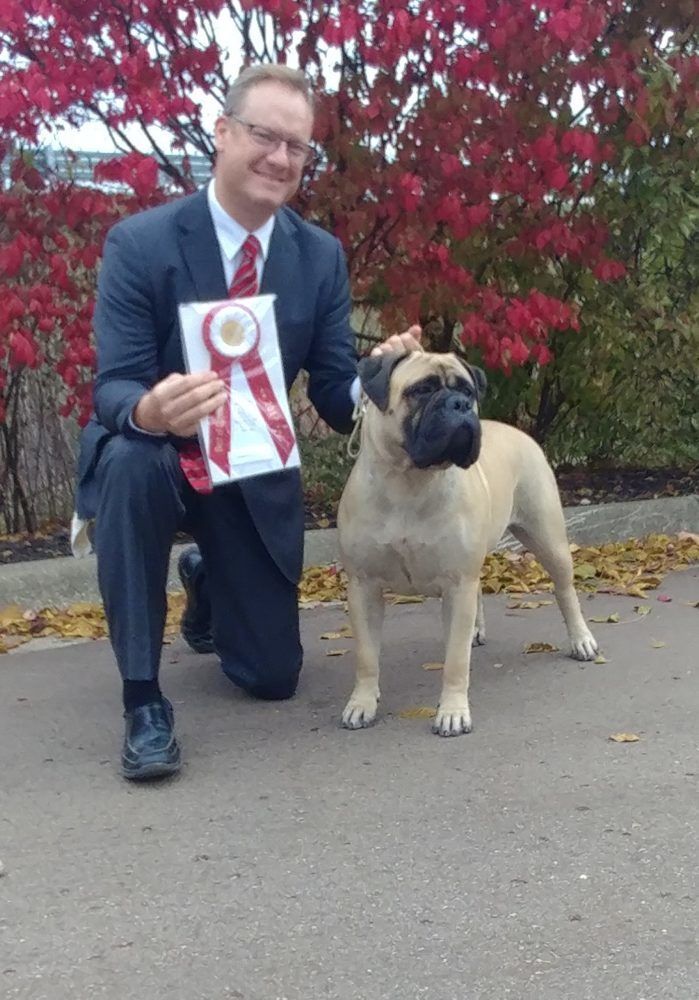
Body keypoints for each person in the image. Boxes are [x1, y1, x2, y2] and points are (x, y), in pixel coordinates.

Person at [75, 63, 421, 781]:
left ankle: (206, 581)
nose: (279, 158)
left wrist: (381, 375)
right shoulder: (141, 244)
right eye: (264, 136)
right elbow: (113, 387)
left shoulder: (317, 257)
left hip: (252, 467)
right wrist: (146, 411)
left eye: (297, 147)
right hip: (159, 455)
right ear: (223, 133)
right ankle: (143, 701)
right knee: (130, 460)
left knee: (271, 677)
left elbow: (335, 399)